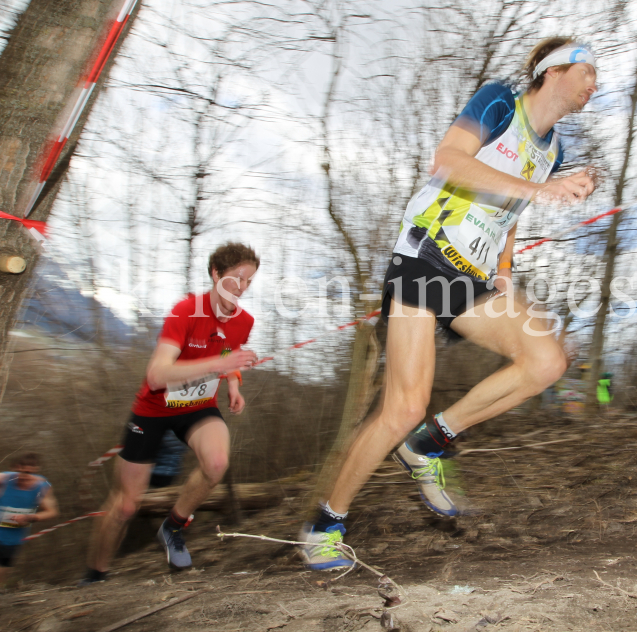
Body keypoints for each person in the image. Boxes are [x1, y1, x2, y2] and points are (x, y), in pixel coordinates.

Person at [297, 37, 598, 570]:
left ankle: (429, 443)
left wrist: (504, 272)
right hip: (427, 257)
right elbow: (450, 160)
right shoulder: (499, 102)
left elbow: (510, 213)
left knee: (547, 360)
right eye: (588, 72)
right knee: (401, 407)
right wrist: (544, 191)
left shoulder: (554, 150)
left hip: (474, 276)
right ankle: (325, 523)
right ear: (554, 71)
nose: (594, 84)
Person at [80, 242, 260, 585]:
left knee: (217, 464)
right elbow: (157, 375)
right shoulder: (185, 311)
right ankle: (94, 575)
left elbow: (229, 352)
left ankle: (173, 525)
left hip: (197, 408)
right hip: (155, 409)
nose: (242, 288)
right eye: (236, 278)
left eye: (249, 281)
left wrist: (234, 382)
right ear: (216, 274)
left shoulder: (244, 321)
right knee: (126, 506)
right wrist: (221, 364)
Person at [0, 453, 58, 590]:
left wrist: (31, 518)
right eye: (22, 472)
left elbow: (52, 511)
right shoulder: (4, 480)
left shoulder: (42, 488)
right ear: (16, 469)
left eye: (30, 473)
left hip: (12, 542)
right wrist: (4, 476)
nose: (26, 477)